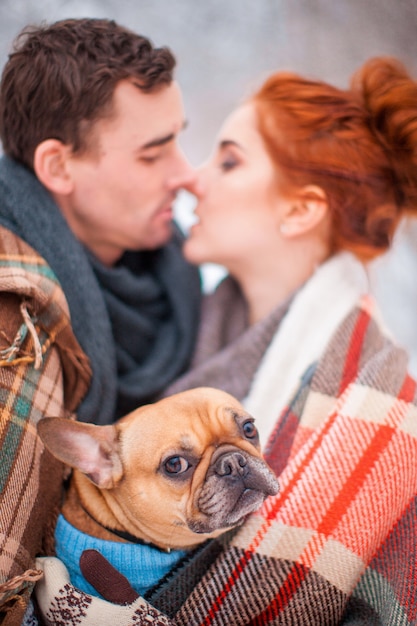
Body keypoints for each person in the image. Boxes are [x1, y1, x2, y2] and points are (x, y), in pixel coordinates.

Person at [36, 56, 417, 625]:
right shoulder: (173, 320)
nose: (191, 177)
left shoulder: (380, 405)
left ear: (300, 210)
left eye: (229, 160)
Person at [0, 17, 202, 625]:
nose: (185, 173)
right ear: (58, 167)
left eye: (178, 140)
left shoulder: (179, 279)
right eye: (152, 153)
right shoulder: (16, 321)